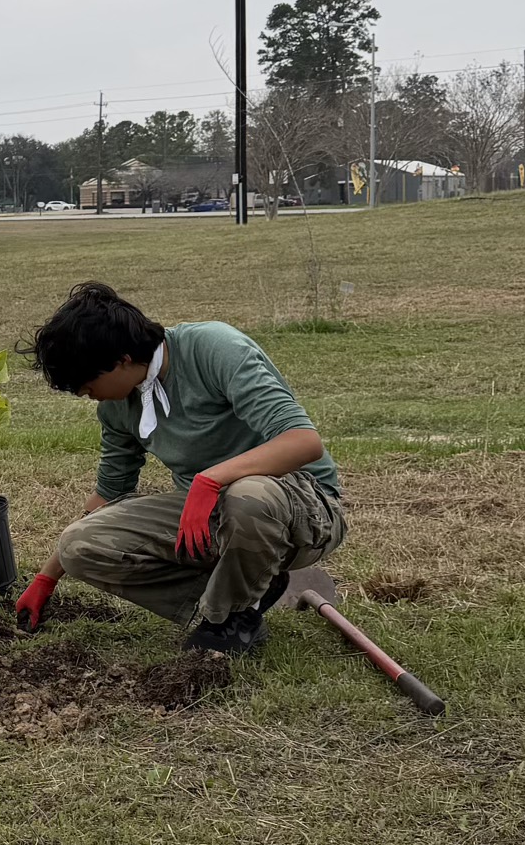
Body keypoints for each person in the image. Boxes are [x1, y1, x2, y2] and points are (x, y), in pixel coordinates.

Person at [17, 281, 344, 657]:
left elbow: (303, 442)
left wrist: (211, 480)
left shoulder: (213, 348)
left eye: (86, 383)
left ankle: (229, 619)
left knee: (247, 496)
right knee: (78, 546)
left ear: (123, 359)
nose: (82, 393)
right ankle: (243, 593)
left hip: (302, 508)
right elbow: (108, 493)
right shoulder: (117, 406)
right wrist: (47, 577)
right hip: (212, 516)